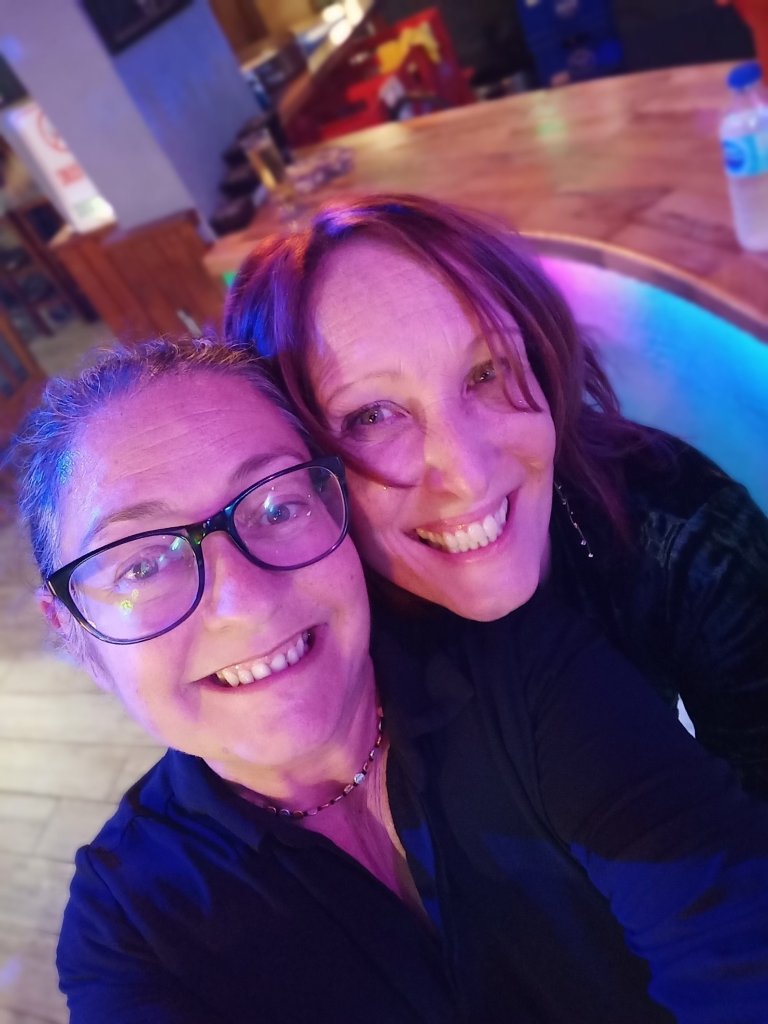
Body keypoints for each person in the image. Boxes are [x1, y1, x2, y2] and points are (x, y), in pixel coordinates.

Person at [15, 338, 768, 1024]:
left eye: (278, 504)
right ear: (73, 630)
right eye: (142, 564)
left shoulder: (525, 672)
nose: (244, 601)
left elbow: (736, 940)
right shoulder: (131, 928)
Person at [224, 191, 768, 799]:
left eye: (487, 372)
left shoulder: (685, 532)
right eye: (372, 416)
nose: (469, 474)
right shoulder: (299, 634)